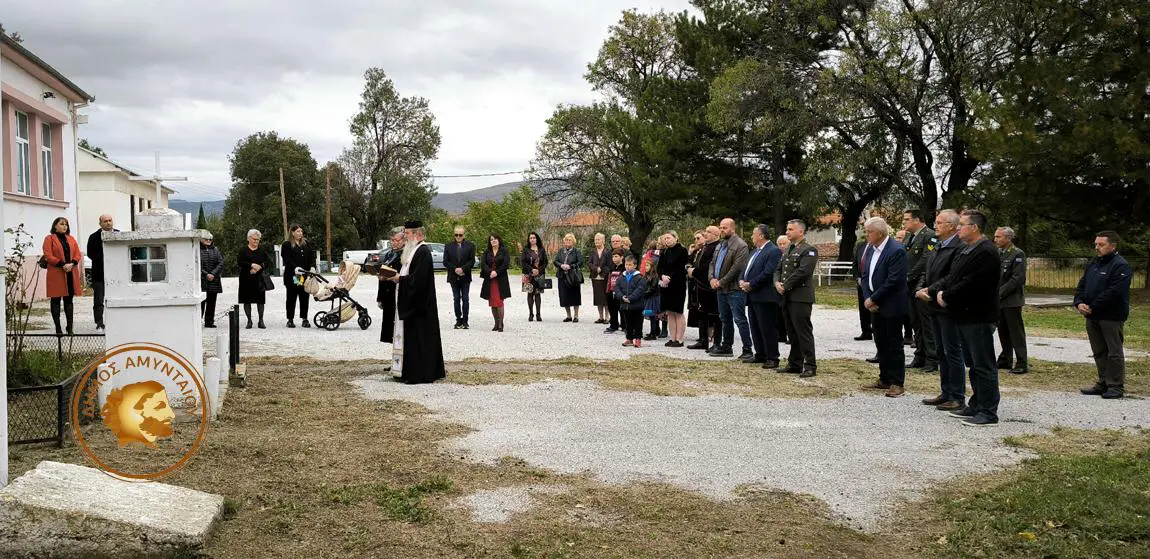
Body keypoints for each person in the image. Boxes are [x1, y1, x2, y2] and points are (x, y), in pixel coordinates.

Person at [933, 210, 1001, 426]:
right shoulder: (968, 250)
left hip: (978, 316)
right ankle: (976, 404)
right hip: (964, 315)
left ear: (975, 227)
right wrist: (941, 292)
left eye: (962, 224)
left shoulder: (986, 251)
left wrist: (948, 296)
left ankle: (989, 411)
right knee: (973, 364)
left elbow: (972, 282)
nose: (959, 228)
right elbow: (954, 277)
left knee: (984, 364)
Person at [917, 210, 966, 411]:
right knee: (940, 351)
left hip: (948, 305)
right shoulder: (938, 245)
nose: (935, 225)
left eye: (940, 222)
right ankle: (946, 392)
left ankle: (957, 395)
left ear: (952, 226)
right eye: (936, 222)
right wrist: (920, 288)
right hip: (933, 305)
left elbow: (952, 276)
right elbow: (926, 271)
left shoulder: (958, 247)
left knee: (952, 351)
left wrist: (931, 289)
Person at [1076, 230, 1133, 399]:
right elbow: (1082, 285)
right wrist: (1079, 302)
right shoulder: (1094, 263)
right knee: (1099, 350)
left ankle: (1115, 385)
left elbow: (1114, 291)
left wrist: (1093, 306)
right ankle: (1103, 381)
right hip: (1092, 315)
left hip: (1111, 316)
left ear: (1113, 246)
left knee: (1113, 351)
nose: (1097, 247)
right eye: (1095, 244)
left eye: (1101, 244)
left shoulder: (1120, 265)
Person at [389, 220, 446, 384]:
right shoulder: (413, 250)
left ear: (417, 234)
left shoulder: (423, 252)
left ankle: (420, 374)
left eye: (407, 234)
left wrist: (400, 279)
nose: (405, 237)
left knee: (421, 339)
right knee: (412, 339)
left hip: (420, 305)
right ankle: (409, 371)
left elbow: (418, 280)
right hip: (414, 302)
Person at [859, 217, 910, 398]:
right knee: (880, 342)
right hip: (874, 304)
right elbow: (865, 275)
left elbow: (894, 280)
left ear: (879, 233)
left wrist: (874, 298)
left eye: (869, 231)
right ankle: (885, 378)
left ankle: (897, 382)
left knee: (894, 344)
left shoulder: (896, 250)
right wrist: (867, 298)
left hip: (891, 304)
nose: (867, 235)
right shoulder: (871, 250)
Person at [775, 220, 818, 377]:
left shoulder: (809, 250)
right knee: (791, 332)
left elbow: (803, 272)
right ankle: (795, 363)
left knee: (803, 332)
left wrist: (784, 285)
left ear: (801, 232)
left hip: (800, 297)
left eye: (791, 229)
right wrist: (776, 282)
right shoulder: (788, 249)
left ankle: (810, 365)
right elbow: (778, 269)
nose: (787, 232)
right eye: (787, 229)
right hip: (787, 296)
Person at [707, 219, 751, 359]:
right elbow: (712, 263)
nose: (721, 230)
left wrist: (721, 282)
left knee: (739, 319)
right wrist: (712, 278)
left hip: (734, 289)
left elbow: (737, 267)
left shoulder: (740, 245)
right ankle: (727, 347)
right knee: (725, 319)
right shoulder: (720, 245)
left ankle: (747, 349)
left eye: (724, 228)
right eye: (720, 227)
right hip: (720, 289)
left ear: (732, 228)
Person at [740, 224, 783, 368]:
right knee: (755, 327)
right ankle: (760, 354)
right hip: (752, 296)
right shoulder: (755, 252)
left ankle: (772, 357)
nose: (752, 236)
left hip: (765, 296)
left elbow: (768, 272)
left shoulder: (773, 251)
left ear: (761, 236)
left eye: (754, 233)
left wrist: (751, 284)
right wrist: (742, 280)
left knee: (767, 327)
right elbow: (746, 268)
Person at [903, 209, 938, 372]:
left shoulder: (929, 235)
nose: (904, 222)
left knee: (926, 323)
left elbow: (926, 259)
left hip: (921, 283)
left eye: (907, 219)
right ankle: (919, 355)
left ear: (917, 220)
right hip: (910, 284)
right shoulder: (910, 236)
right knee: (915, 321)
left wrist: (909, 276)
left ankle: (932, 359)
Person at [994, 226, 1028, 374]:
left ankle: (1021, 362)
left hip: (1012, 300)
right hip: (999, 300)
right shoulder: (997, 253)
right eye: (995, 237)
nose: (995, 239)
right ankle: (1005, 359)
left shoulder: (1017, 254)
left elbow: (1017, 279)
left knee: (1016, 332)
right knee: (1003, 331)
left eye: (998, 237)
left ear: (1008, 238)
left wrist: (1000, 293)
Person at [43, 217, 83, 335]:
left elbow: (77, 253)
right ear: (55, 226)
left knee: (68, 300)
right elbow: (48, 255)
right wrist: (62, 264)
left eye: (66, 224)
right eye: (61, 224)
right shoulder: (49, 239)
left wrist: (73, 263)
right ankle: (58, 328)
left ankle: (69, 328)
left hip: (70, 272)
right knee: (55, 300)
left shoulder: (71, 239)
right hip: (56, 273)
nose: (64, 226)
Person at [281, 224, 316, 328]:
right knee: (292, 296)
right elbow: (286, 259)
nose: (300, 233)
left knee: (304, 296)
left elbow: (311, 256)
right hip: (294, 275)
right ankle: (290, 319)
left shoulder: (306, 243)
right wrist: (295, 268)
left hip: (305, 275)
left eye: (301, 231)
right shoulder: (287, 244)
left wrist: (313, 267)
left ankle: (304, 318)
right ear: (292, 232)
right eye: (298, 231)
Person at [86, 214, 116, 330]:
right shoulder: (93, 237)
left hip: (115, 273)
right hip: (99, 273)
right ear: (100, 224)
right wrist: (105, 258)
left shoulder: (119, 234)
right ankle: (99, 322)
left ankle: (115, 320)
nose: (108, 223)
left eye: (110, 220)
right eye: (105, 221)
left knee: (115, 298)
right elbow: (90, 254)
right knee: (99, 299)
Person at [659, 232, 689, 347]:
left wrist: (669, 277)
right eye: (665, 238)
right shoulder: (664, 251)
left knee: (678, 312)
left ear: (675, 238)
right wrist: (662, 276)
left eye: (669, 238)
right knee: (670, 312)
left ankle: (679, 339)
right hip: (666, 285)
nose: (667, 240)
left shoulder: (682, 250)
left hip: (678, 284)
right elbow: (659, 267)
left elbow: (681, 268)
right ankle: (672, 338)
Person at [443, 226, 476, 329]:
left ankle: (465, 321)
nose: (458, 236)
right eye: (456, 234)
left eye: (460, 235)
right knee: (456, 298)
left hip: (465, 276)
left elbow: (472, 261)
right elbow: (445, 261)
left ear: (464, 235)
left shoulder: (470, 246)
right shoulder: (448, 246)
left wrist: (462, 269)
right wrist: (455, 269)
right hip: (453, 277)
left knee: (465, 299)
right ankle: (458, 320)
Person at [377, 226, 404, 344]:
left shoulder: (406, 254)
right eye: (392, 240)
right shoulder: (389, 254)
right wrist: (380, 298)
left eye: (396, 240)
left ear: (404, 240)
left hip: (398, 293)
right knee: (390, 329)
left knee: (399, 329)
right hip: (387, 294)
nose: (394, 243)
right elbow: (383, 273)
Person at [614, 254, 648, 347]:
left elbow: (640, 290)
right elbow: (617, 289)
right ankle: (629, 338)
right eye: (626, 265)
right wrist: (622, 297)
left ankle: (638, 339)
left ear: (635, 265)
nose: (627, 267)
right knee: (627, 323)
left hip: (637, 305)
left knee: (638, 322)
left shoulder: (640, 277)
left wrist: (631, 298)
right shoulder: (621, 277)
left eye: (630, 265)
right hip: (625, 305)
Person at [237, 229, 268, 329]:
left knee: (260, 300)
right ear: (249, 239)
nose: (256, 241)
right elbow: (240, 262)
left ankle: (261, 320)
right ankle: (249, 320)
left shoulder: (262, 250)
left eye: (258, 240)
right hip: (246, 278)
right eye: (254, 239)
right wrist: (251, 265)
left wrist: (259, 268)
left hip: (259, 279)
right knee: (247, 300)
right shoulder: (243, 250)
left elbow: (268, 262)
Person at [480, 234, 512, 331]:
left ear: (499, 240)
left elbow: (506, 264)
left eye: (495, 239)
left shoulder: (504, 251)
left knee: (499, 301)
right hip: (489, 279)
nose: (493, 241)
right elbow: (483, 264)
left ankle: (501, 324)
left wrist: (496, 272)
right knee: (492, 302)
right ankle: (496, 323)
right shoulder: (487, 252)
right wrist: (490, 272)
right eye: (491, 240)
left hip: (500, 279)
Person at [554, 233, 583, 322]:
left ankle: (576, 316)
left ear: (573, 241)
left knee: (575, 296)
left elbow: (580, 262)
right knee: (564, 296)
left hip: (573, 276)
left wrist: (571, 266)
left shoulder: (576, 251)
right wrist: (561, 265)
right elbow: (555, 261)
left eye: (569, 240)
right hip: (562, 276)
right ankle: (568, 315)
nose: (567, 242)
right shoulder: (561, 251)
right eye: (566, 240)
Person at [520, 232, 548, 322]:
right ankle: (531, 314)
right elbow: (523, 262)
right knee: (530, 293)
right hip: (528, 274)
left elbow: (545, 262)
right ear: (529, 240)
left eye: (534, 238)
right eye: (530, 238)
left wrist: (538, 270)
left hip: (539, 275)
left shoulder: (541, 249)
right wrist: (532, 270)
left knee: (538, 294)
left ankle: (538, 314)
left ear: (537, 239)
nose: (532, 239)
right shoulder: (526, 250)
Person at [851, 236, 872, 341]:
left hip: (873, 281)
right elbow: (855, 262)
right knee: (862, 307)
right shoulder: (860, 245)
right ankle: (866, 331)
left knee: (873, 306)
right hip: (861, 282)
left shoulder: (877, 246)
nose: (868, 234)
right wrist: (857, 277)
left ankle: (876, 330)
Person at [200, 237, 224, 328]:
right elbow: (196, 264)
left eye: (210, 239)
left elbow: (220, 263)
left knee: (211, 302)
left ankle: (209, 322)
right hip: (202, 280)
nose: (208, 241)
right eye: (206, 239)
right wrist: (206, 275)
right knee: (201, 302)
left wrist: (213, 274)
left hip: (214, 280)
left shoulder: (216, 250)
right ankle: (198, 321)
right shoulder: (197, 250)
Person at [588, 233, 612, 324]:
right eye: (595, 239)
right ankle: (600, 317)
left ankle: (607, 317)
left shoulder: (608, 252)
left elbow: (609, 265)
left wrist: (601, 270)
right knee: (598, 298)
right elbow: (589, 263)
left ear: (603, 241)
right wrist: (595, 269)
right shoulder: (592, 252)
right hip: (595, 277)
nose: (596, 241)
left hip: (605, 277)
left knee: (606, 298)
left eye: (598, 239)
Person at [604, 235, 625, 332]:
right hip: (610, 290)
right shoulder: (612, 266)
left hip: (620, 291)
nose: (614, 258)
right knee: (612, 308)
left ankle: (624, 325)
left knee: (621, 308)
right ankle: (613, 324)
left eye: (616, 256)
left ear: (621, 257)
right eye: (613, 256)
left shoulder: (624, 267)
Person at [774, 235, 791, 344]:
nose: (782, 246)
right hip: (777, 287)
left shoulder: (791, 254)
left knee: (789, 313)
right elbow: (776, 270)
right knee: (779, 313)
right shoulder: (775, 255)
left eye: (784, 244)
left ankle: (791, 335)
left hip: (789, 286)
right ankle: (781, 335)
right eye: (779, 244)